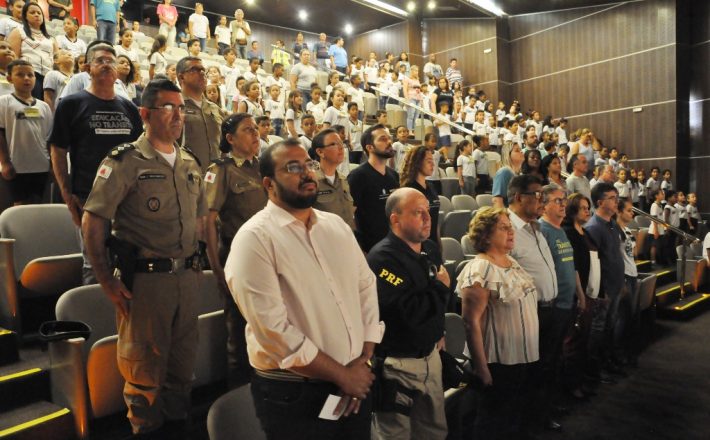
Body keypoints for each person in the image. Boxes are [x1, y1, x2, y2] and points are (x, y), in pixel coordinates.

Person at [224, 139, 383, 440]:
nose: (307, 173)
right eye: (292, 167)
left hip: (355, 379)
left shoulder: (335, 226)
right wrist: (343, 375)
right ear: (268, 183)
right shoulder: (254, 239)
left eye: (308, 164)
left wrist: (363, 356)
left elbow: (365, 285)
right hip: (293, 393)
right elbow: (273, 329)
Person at [81, 79, 206, 436]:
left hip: (186, 278)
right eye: (168, 107)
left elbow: (199, 221)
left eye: (181, 108)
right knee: (145, 376)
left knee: (182, 372)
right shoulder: (125, 160)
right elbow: (94, 220)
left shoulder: (189, 161)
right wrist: (105, 279)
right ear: (145, 114)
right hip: (147, 284)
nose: (177, 115)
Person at [49, 42, 142, 284]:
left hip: (128, 202)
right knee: (95, 266)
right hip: (90, 200)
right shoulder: (71, 104)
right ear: (87, 67)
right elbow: (58, 150)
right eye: (100, 60)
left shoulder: (129, 108)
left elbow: (139, 153)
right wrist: (67, 194)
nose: (107, 64)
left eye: (111, 60)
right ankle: (95, 319)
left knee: (128, 264)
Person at [366, 187, 449, 439]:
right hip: (399, 364)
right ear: (395, 219)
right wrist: (441, 288)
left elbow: (434, 307)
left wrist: (439, 330)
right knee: (396, 434)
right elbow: (407, 314)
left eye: (428, 211)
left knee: (434, 431)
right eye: (417, 212)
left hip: (430, 357)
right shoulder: (381, 258)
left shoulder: (430, 249)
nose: (427, 218)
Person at [458, 207, 540, 439]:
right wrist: (482, 369)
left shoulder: (510, 261)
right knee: (491, 422)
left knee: (510, 419)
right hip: (497, 363)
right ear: (485, 235)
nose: (511, 231)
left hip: (518, 358)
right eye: (503, 228)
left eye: (511, 226)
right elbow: (470, 322)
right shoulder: (480, 268)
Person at [203, 113, 267, 387]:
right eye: (248, 130)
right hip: (237, 258)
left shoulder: (263, 168)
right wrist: (216, 268)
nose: (256, 134)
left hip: (268, 257)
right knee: (239, 331)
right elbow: (207, 221)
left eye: (256, 129)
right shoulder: (221, 170)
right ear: (230, 139)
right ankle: (238, 395)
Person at [537, 183, 579, 432]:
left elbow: (569, 266)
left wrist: (580, 296)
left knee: (557, 360)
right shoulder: (543, 231)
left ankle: (552, 404)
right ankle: (542, 413)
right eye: (558, 201)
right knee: (548, 362)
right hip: (553, 307)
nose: (564, 205)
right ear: (543, 204)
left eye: (564, 201)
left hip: (568, 302)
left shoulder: (561, 230)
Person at [584, 182, 625, 379]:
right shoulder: (593, 227)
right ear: (600, 202)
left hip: (615, 285)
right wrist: (602, 290)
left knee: (609, 327)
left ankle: (607, 361)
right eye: (612, 198)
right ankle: (594, 369)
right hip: (604, 289)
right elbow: (594, 263)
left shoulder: (612, 224)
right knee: (598, 329)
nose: (617, 201)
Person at [0, 59, 52, 205]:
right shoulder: (4, 102)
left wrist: (52, 165)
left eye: (30, 75)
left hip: (41, 165)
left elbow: (48, 138)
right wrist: (5, 162)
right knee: (20, 206)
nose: (26, 78)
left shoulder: (44, 106)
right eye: (20, 75)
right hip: (17, 165)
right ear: (10, 78)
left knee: (38, 205)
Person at [348, 124, 399, 252]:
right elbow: (349, 216)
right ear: (370, 147)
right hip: (370, 249)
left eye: (389, 138)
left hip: (394, 246)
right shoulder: (357, 176)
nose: (389, 142)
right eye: (383, 139)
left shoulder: (394, 175)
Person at [178, 56, 223, 172]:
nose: (202, 73)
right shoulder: (175, 107)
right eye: (194, 70)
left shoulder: (215, 108)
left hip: (215, 179)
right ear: (181, 77)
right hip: (186, 178)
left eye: (203, 70)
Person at [7, 2, 56, 100]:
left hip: (49, 77)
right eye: (32, 12)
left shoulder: (51, 39)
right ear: (25, 16)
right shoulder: (18, 32)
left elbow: (56, 59)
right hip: (29, 76)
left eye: (39, 13)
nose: (36, 14)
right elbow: (13, 58)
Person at [311, 128, 356, 229]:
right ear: (320, 152)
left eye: (341, 143)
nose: (341, 147)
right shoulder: (312, 182)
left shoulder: (343, 180)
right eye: (333, 144)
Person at [401, 145, 441, 243]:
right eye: (428, 161)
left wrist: (438, 242)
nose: (433, 165)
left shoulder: (431, 186)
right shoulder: (409, 188)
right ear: (418, 163)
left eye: (433, 161)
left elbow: (435, 218)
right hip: (417, 242)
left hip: (432, 242)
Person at [491, 141, 523, 208]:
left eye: (521, 150)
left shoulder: (519, 174)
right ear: (508, 154)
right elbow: (497, 200)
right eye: (517, 150)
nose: (521, 152)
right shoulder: (504, 172)